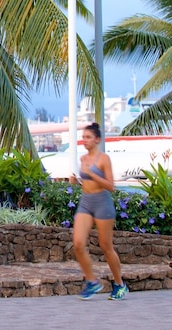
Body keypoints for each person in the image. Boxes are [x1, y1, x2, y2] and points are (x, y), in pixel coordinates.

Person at [69, 123, 128, 301]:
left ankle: (120, 284)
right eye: (83, 137)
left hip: (102, 202)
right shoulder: (83, 159)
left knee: (106, 247)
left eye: (88, 137)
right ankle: (92, 281)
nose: (84, 140)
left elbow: (111, 186)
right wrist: (76, 182)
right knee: (78, 244)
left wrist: (93, 174)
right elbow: (87, 182)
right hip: (86, 202)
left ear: (97, 139)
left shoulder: (104, 159)